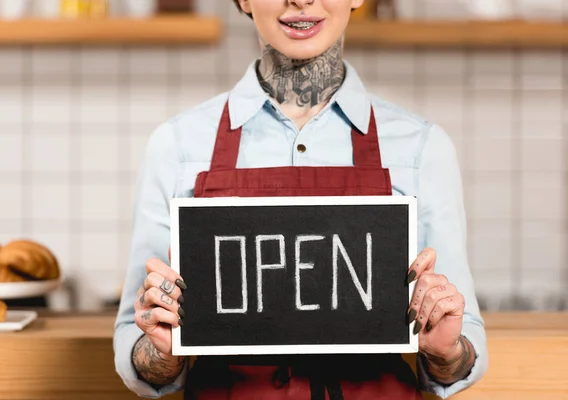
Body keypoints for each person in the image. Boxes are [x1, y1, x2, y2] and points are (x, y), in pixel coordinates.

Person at [113, 0, 488, 398]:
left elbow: (462, 350)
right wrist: (160, 353)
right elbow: (134, 343)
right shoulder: (176, 145)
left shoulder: (422, 148)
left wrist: (448, 351)